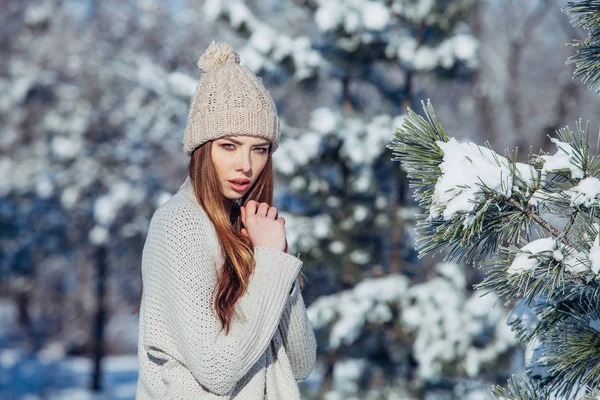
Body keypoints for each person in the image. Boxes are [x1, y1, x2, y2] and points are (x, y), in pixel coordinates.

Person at [135, 41, 317, 399]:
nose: (245, 165)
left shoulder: (247, 227)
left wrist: (275, 262)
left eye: (259, 149)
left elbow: (301, 363)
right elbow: (217, 371)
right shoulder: (181, 224)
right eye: (229, 146)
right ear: (203, 148)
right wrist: (269, 263)